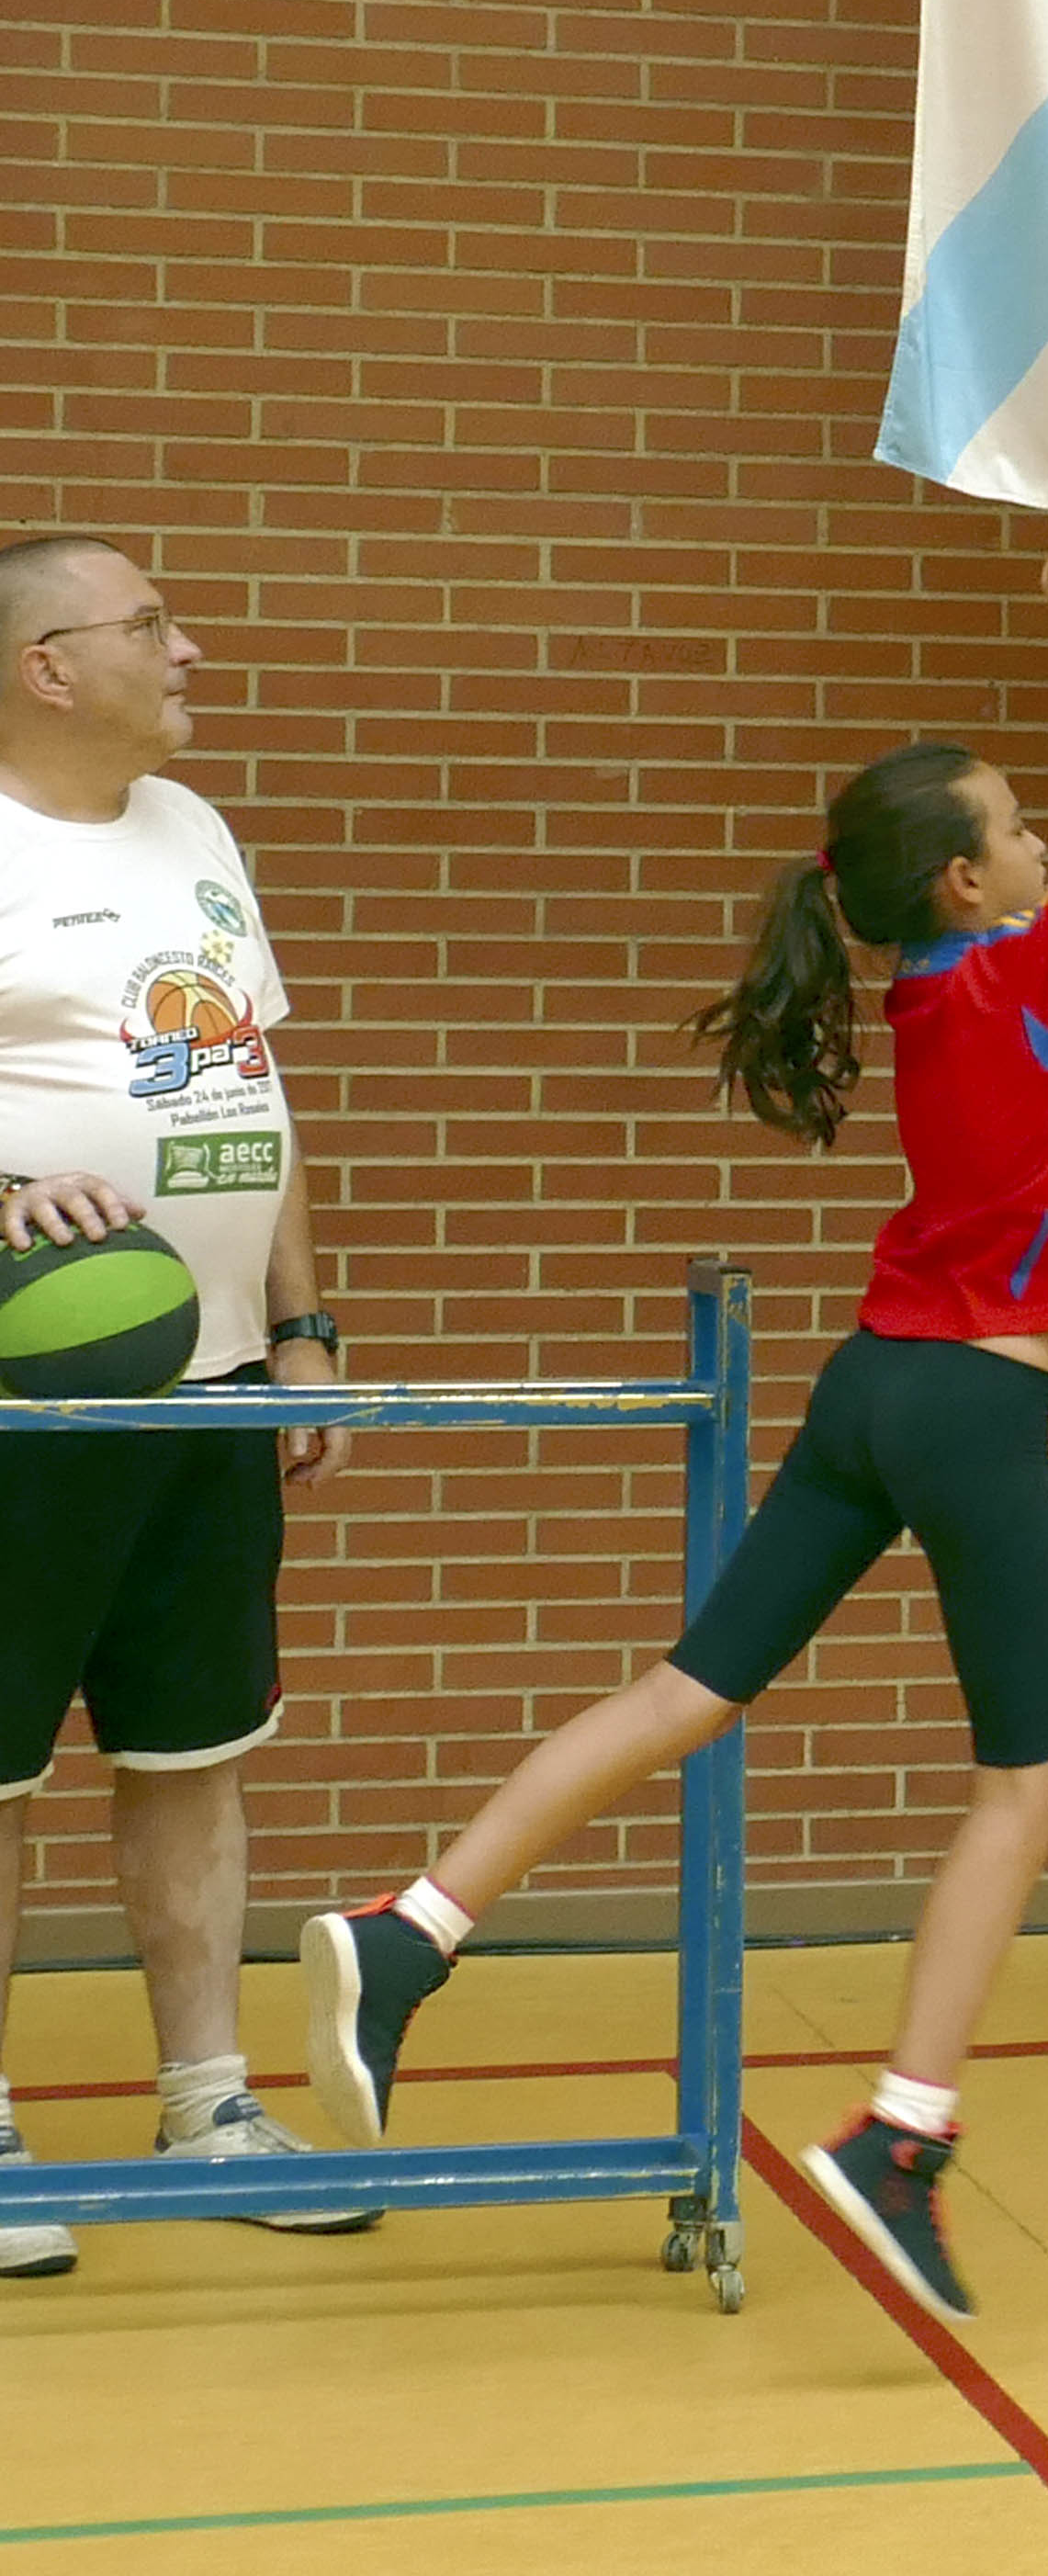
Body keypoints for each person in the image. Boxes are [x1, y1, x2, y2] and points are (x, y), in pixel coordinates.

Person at [300, 512, 1048, 2319]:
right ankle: (900, 2136)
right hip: (973, 1407)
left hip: (871, 1386)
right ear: (968, 882)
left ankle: (412, 1930)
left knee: (687, 1691)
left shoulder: (961, 974)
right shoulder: (1029, 967)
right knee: (1031, 1781)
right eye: (1013, 830)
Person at [0, 537, 376, 2284]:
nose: (189, 647)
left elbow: (253, 1083)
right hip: (27, 1403)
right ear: (47, 666)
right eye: (150, 623)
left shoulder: (196, 829)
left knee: (192, 1750)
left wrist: (300, 1325)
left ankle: (210, 2103)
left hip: (216, 1381)